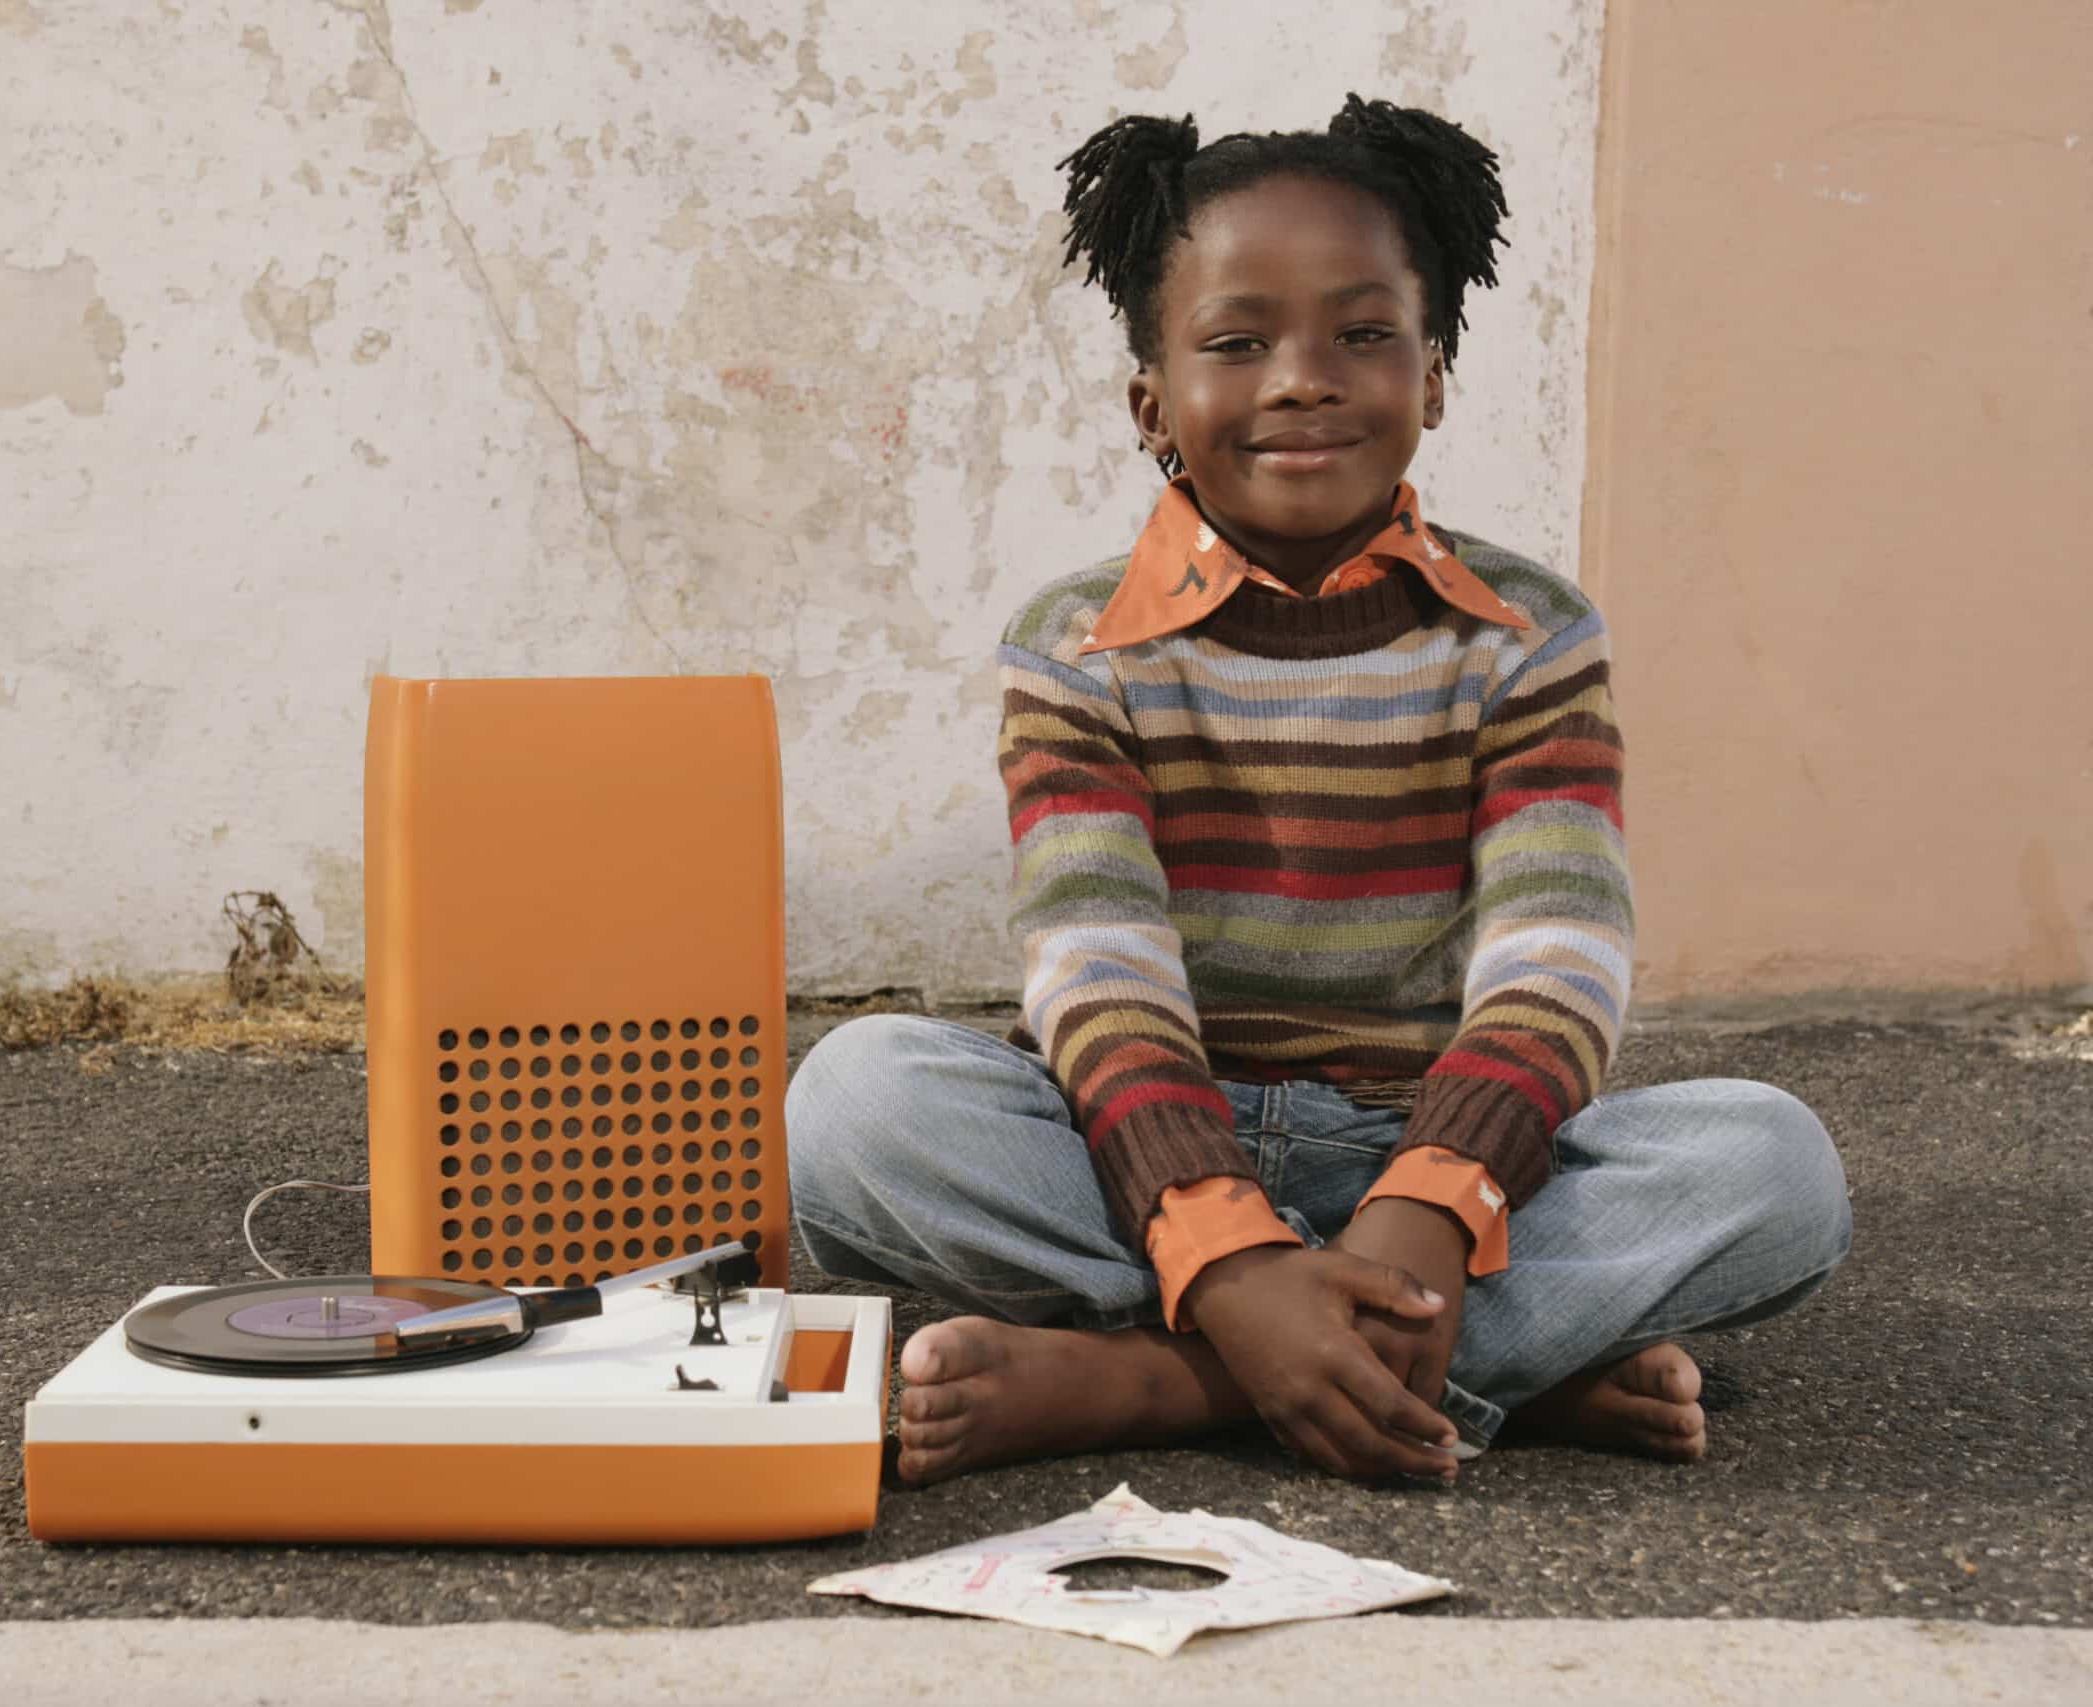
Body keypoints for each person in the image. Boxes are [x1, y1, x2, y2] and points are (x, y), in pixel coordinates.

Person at [784, 98, 1852, 1487]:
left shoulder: (1527, 635)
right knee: (859, 1109)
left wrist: (1432, 1203)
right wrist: (1223, 1243)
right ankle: (1474, 1365)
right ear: (1152, 404)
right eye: (1238, 344)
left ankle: (1156, 1384)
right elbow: (1097, 975)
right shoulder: (1078, 645)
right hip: (1145, 1152)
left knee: (1774, 1168)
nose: (1304, 379)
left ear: (1437, 371)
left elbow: (1558, 961)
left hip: (1436, 1152)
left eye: (1362, 334)